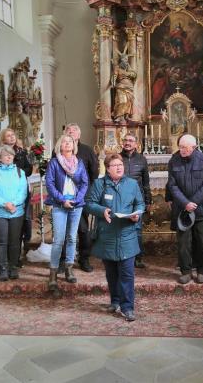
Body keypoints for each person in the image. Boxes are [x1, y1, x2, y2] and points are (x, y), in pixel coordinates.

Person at [86, 154, 145, 321]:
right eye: (114, 165)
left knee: (127, 273)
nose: (119, 167)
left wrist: (137, 215)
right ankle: (115, 300)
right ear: (107, 168)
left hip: (127, 234)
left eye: (120, 164)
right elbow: (89, 204)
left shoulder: (132, 184)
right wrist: (102, 211)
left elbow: (140, 204)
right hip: (107, 235)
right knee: (111, 273)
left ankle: (128, 308)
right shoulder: (99, 184)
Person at [167, 134, 203, 284]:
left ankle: (202, 270)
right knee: (183, 243)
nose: (181, 150)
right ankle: (186, 271)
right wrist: (185, 203)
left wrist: (193, 202)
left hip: (202, 208)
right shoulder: (174, 161)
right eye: (180, 147)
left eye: (185, 148)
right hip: (182, 209)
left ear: (194, 147)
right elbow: (172, 185)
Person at [45, 134, 90, 291]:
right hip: (60, 204)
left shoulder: (80, 163)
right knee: (59, 240)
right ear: (60, 146)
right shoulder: (54, 163)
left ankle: (69, 269)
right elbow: (49, 184)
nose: (67, 144)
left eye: (70, 142)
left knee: (72, 238)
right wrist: (62, 199)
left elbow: (85, 182)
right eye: (64, 142)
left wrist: (77, 199)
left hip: (76, 205)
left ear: (74, 145)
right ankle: (53, 273)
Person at [55, 123, 100, 273]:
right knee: (62, 231)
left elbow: (93, 174)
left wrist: (85, 195)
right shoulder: (57, 153)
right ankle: (63, 261)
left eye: (74, 131)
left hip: (81, 198)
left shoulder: (87, 151)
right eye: (68, 131)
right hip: (61, 199)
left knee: (82, 229)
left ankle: (84, 258)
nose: (71, 133)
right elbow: (52, 177)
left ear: (79, 135)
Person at [0, 146, 29, 281]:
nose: (9, 157)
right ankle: (3, 268)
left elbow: (23, 192)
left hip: (17, 212)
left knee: (15, 241)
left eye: (11, 154)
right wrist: (5, 204)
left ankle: (13, 267)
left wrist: (14, 204)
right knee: (2, 241)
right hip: (0, 212)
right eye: (6, 155)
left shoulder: (20, 172)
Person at [0, 128, 35, 266]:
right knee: (5, 227)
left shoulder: (22, 152)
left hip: (20, 190)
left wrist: (16, 172)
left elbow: (29, 170)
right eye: (8, 135)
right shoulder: (0, 152)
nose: (12, 137)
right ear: (3, 139)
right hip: (5, 193)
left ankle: (17, 256)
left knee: (21, 222)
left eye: (13, 135)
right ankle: (3, 259)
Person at [120, 133, 152, 268]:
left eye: (131, 140)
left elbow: (146, 183)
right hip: (120, 199)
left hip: (136, 201)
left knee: (137, 230)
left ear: (136, 144)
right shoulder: (117, 158)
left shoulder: (142, 159)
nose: (128, 143)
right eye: (125, 140)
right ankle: (121, 256)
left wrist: (148, 201)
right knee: (120, 228)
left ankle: (138, 258)